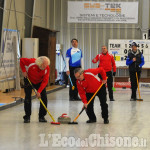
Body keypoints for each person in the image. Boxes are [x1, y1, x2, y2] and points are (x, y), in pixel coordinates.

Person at [20, 56, 50, 123]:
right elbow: (21, 60)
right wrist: (24, 71)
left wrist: (39, 91)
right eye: (44, 65)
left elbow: (45, 81)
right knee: (27, 97)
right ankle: (27, 116)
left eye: (46, 65)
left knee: (44, 98)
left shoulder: (46, 68)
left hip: (39, 82)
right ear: (39, 63)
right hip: (29, 80)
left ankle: (41, 116)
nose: (45, 66)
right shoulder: (31, 62)